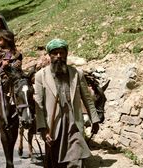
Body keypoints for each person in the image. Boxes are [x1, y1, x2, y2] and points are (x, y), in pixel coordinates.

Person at [34, 38, 100, 168]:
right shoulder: (40, 76)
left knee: (76, 161)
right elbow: (39, 105)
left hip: (73, 123)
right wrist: (43, 129)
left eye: (62, 53)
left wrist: (95, 119)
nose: (59, 56)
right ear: (49, 55)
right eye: (55, 53)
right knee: (54, 162)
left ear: (66, 54)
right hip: (53, 126)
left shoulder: (77, 74)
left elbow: (87, 99)